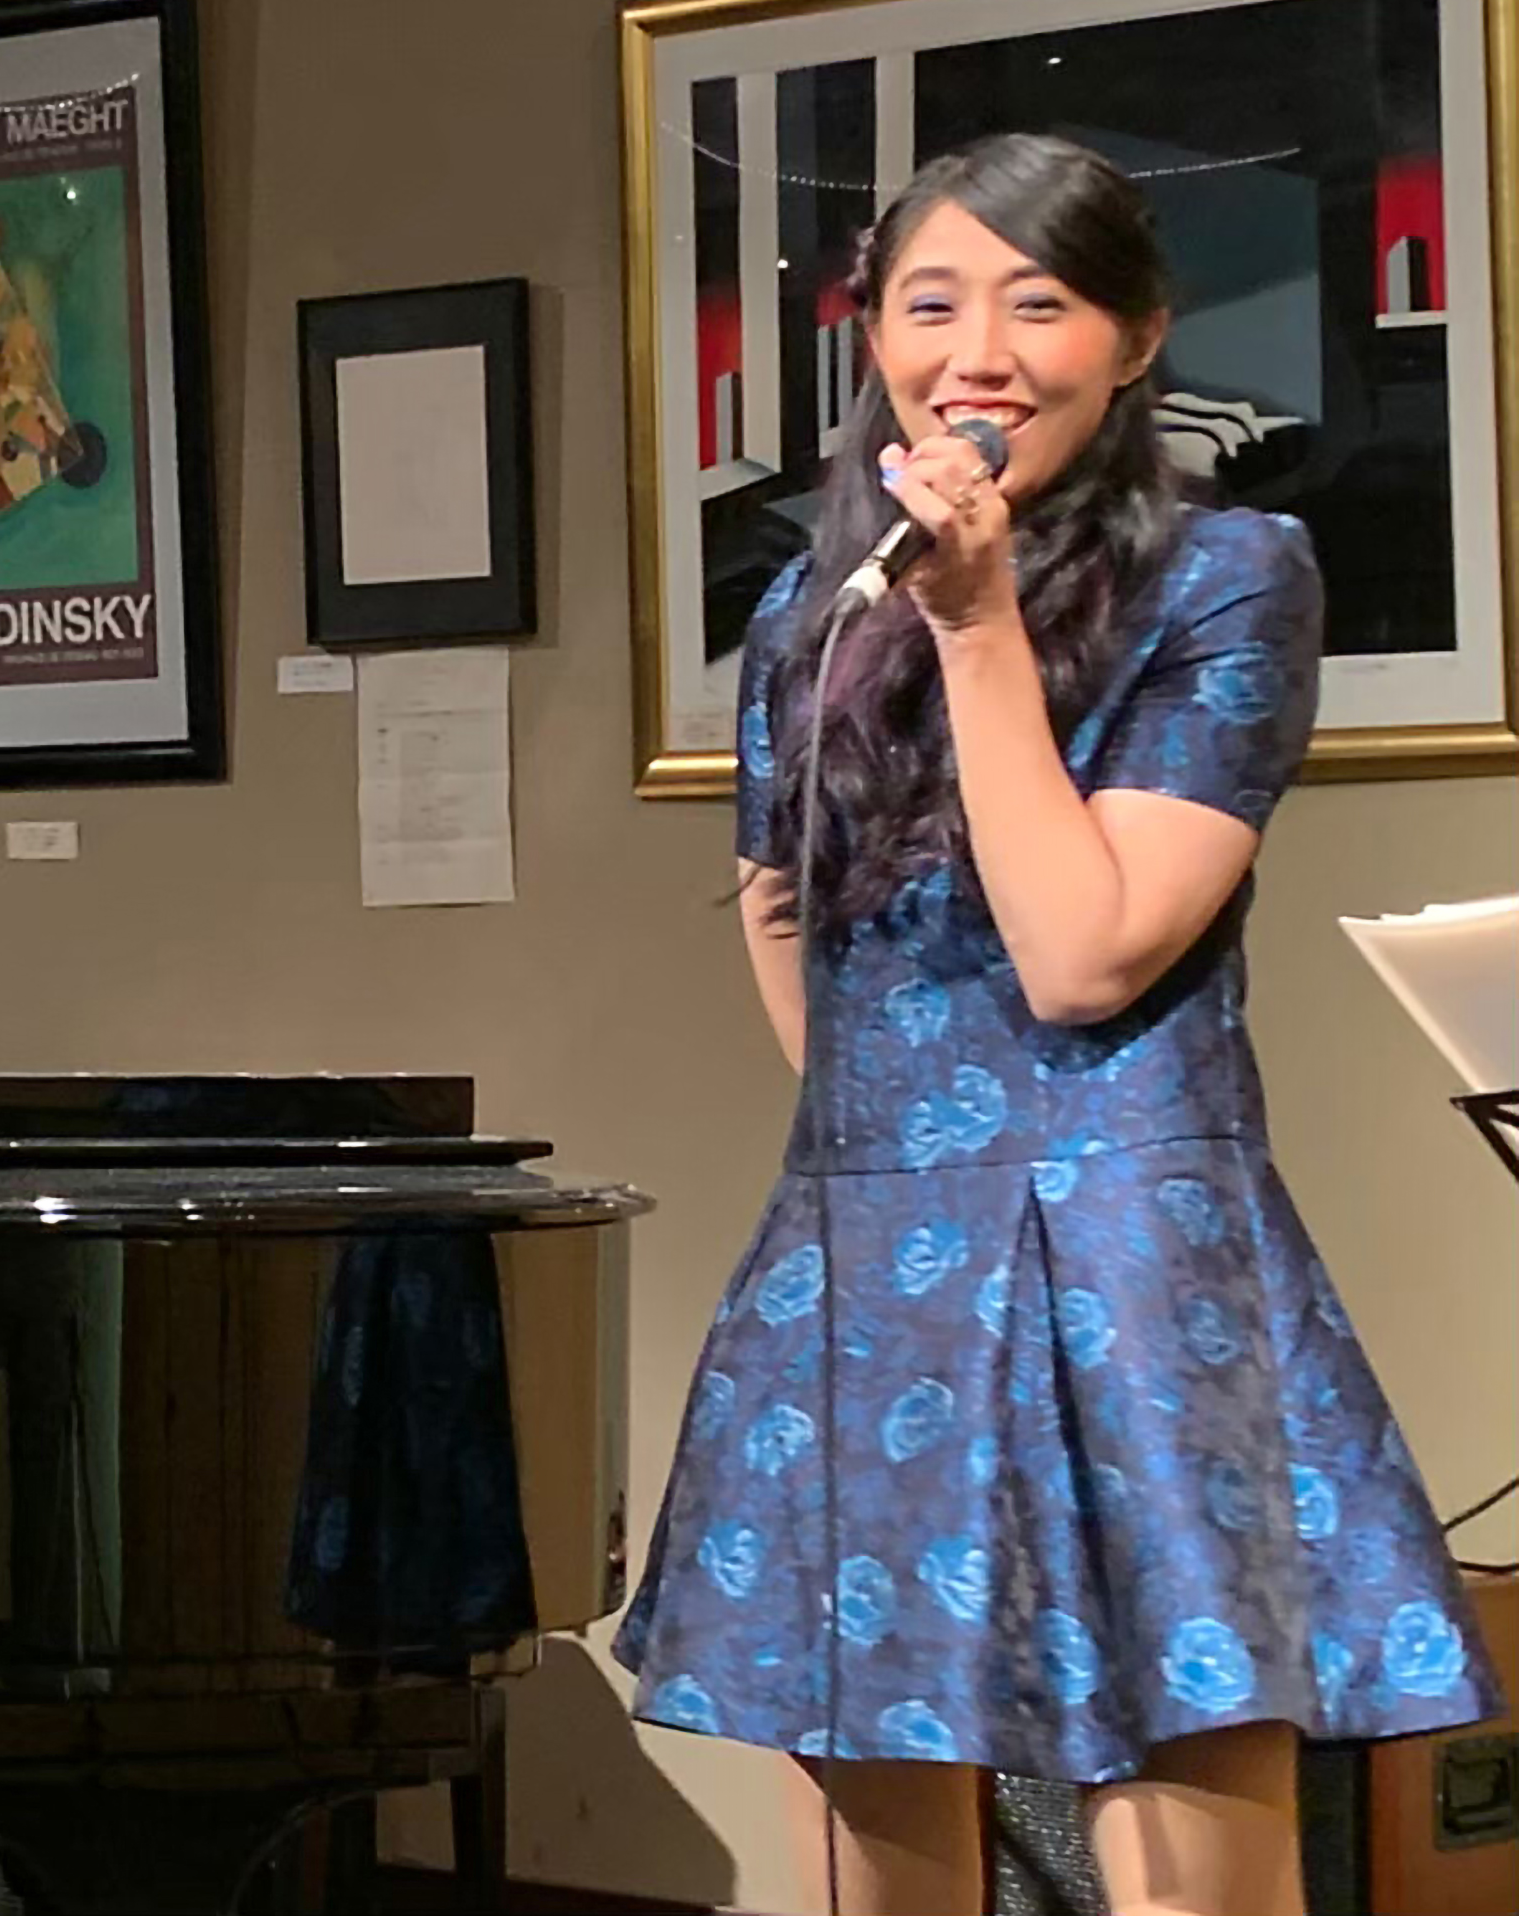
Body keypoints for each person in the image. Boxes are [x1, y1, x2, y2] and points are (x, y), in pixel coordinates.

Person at [612, 132, 1503, 1916]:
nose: (978, 355)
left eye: (1039, 305)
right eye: (929, 306)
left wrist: (976, 629)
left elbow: (1085, 953)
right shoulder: (801, 609)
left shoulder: (1232, 574)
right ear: (872, 335)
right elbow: (784, 903)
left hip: (1125, 1250)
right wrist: (888, 1139)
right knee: (875, 1844)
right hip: (865, 1254)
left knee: (1185, 1845)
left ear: (1137, 336)